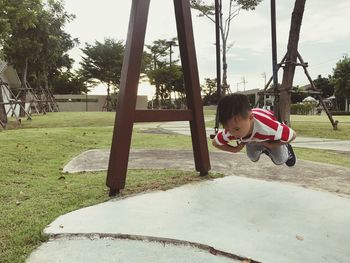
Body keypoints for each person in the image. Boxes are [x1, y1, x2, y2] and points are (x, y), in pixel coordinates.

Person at [212, 94, 296, 166]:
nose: (232, 134)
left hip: (271, 139)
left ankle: (286, 149)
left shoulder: (269, 127)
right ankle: (263, 149)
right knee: (253, 157)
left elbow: (293, 135)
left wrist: (271, 145)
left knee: (279, 160)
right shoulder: (232, 127)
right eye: (227, 129)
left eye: (236, 129)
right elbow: (216, 143)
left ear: (250, 118)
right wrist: (234, 149)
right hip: (252, 138)